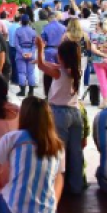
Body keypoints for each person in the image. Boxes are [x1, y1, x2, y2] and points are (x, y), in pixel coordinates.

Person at [37, 38, 85, 194]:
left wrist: (40, 49)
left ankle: (59, 187)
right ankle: (76, 186)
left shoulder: (58, 73)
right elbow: (55, 66)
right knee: (76, 151)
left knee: (59, 152)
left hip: (59, 113)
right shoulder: (76, 70)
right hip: (75, 113)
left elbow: (41, 65)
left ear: (62, 57)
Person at [13, 15, 38, 97]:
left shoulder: (18, 31)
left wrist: (22, 52)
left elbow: (16, 44)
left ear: (21, 21)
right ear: (29, 21)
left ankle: (22, 91)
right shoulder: (33, 31)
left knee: (21, 72)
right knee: (31, 72)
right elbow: (35, 44)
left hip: (21, 53)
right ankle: (31, 92)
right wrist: (31, 52)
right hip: (31, 52)